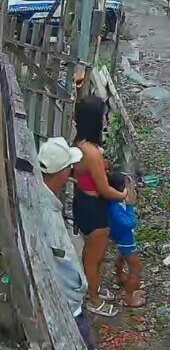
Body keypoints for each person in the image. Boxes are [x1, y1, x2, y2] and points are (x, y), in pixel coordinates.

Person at [38, 138, 98, 348]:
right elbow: (61, 260)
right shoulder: (46, 216)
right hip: (67, 305)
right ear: (63, 172)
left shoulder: (43, 199)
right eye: (69, 166)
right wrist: (79, 289)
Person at [72, 96, 126, 317]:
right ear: (95, 119)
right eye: (104, 115)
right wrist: (123, 194)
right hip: (94, 206)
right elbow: (104, 190)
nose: (106, 118)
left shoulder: (81, 145)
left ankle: (90, 287)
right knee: (94, 257)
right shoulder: (92, 153)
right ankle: (93, 299)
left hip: (85, 202)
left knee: (91, 253)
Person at [106, 172, 144, 307]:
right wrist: (130, 205)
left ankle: (119, 275)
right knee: (136, 267)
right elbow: (129, 223)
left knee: (122, 256)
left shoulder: (113, 202)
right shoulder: (116, 207)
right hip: (126, 238)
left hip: (120, 237)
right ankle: (129, 297)